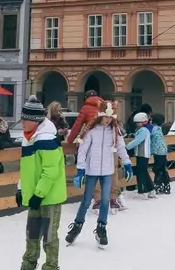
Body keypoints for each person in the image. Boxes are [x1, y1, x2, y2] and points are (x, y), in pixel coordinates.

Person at [65, 100, 132, 247]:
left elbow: (121, 148)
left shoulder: (115, 132)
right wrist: (81, 170)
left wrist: (127, 163)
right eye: (106, 117)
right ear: (100, 116)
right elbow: (82, 151)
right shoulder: (91, 131)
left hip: (107, 171)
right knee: (86, 200)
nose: (108, 120)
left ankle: (101, 228)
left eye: (111, 117)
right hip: (91, 170)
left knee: (105, 200)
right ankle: (77, 226)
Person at [16, 96, 67, 270]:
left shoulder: (46, 139)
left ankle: (51, 267)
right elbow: (27, 168)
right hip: (35, 195)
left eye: (25, 118)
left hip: (49, 197)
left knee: (49, 236)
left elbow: (51, 171)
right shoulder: (28, 137)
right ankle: (28, 265)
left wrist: (38, 194)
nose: (22, 121)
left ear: (35, 120)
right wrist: (21, 188)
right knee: (32, 234)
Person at [126, 112, 154, 198]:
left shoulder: (143, 131)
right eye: (136, 123)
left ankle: (143, 190)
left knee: (141, 172)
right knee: (144, 171)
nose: (137, 124)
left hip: (142, 154)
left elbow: (137, 141)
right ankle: (150, 189)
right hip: (142, 154)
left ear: (143, 122)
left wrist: (127, 147)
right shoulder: (143, 130)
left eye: (138, 123)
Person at [148, 112, 170, 195]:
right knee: (162, 168)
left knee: (158, 169)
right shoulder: (159, 128)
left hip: (158, 152)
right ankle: (166, 185)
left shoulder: (153, 129)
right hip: (163, 151)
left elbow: (148, 136)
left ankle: (159, 185)